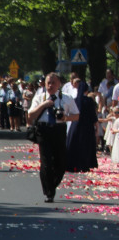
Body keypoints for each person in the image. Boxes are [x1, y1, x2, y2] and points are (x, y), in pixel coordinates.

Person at [28, 72, 78, 203]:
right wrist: (44, 105)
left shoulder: (66, 98)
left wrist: (65, 117)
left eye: (53, 83)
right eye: (48, 83)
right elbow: (30, 115)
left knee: (60, 163)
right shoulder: (39, 97)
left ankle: (52, 184)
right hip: (43, 130)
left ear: (59, 84)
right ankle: (49, 192)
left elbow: (76, 115)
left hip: (59, 130)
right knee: (46, 162)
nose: (50, 86)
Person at [66, 80, 99, 173]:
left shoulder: (75, 100)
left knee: (74, 144)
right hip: (87, 127)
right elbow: (93, 115)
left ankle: (72, 164)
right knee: (85, 146)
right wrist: (96, 127)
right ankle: (85, 164)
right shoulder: (89, 101)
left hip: (76, 125)